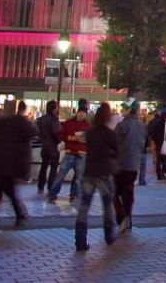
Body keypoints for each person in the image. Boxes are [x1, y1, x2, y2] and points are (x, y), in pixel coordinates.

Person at [75, 103, 118, 251]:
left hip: (89, 171)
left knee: (84, 206)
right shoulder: (110, 134)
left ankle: (80, 240)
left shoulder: (90, 133)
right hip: (104, 172)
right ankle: (109, 235)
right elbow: (117, 152)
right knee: (107, 206)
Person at [113, 99, 146, 232]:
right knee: (129, 192)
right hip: (134, 164)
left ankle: (121, 217)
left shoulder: (122, 125)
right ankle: (128, 218)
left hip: (120, 164)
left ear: (129, 110)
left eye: (124, 109)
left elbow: (113, 143)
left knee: (116, 193)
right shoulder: (142, 125)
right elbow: (144, 144)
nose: (122, 111)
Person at [48, 100, 91, 202]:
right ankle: (53, 193)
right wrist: (69, 138)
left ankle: (74, 194)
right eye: (80, 112)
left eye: (84, 113)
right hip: (70, 152)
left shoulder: (88, 126)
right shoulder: (68, 123)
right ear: (77, 113)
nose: (81, 114)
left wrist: (84, 140)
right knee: (61, 174)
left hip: (81, 153)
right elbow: (61, 134)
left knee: (79, 177)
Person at [35, 100, 62, 195]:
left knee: (44, 166)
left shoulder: (41, 119)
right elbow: (57, 133)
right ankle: (50, 187)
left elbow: (37, 132)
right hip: (53, 147)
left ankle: (40, 186)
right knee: (53, 168)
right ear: (55, 108)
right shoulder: (54, 119)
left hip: (44, 146)